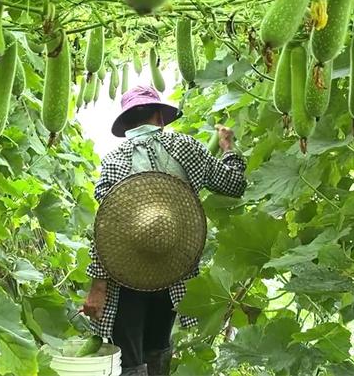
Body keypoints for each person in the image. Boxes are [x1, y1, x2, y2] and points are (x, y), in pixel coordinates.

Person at [81, 86, 247, 376]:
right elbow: (234, 185)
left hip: (125, 274)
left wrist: (98, 287)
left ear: (127, 122)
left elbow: (104, 229)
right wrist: (229, 149)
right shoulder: (186, 148)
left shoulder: (115, 160)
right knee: (158, 351)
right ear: (160, 115)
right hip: (172, 267)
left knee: (130, 361)